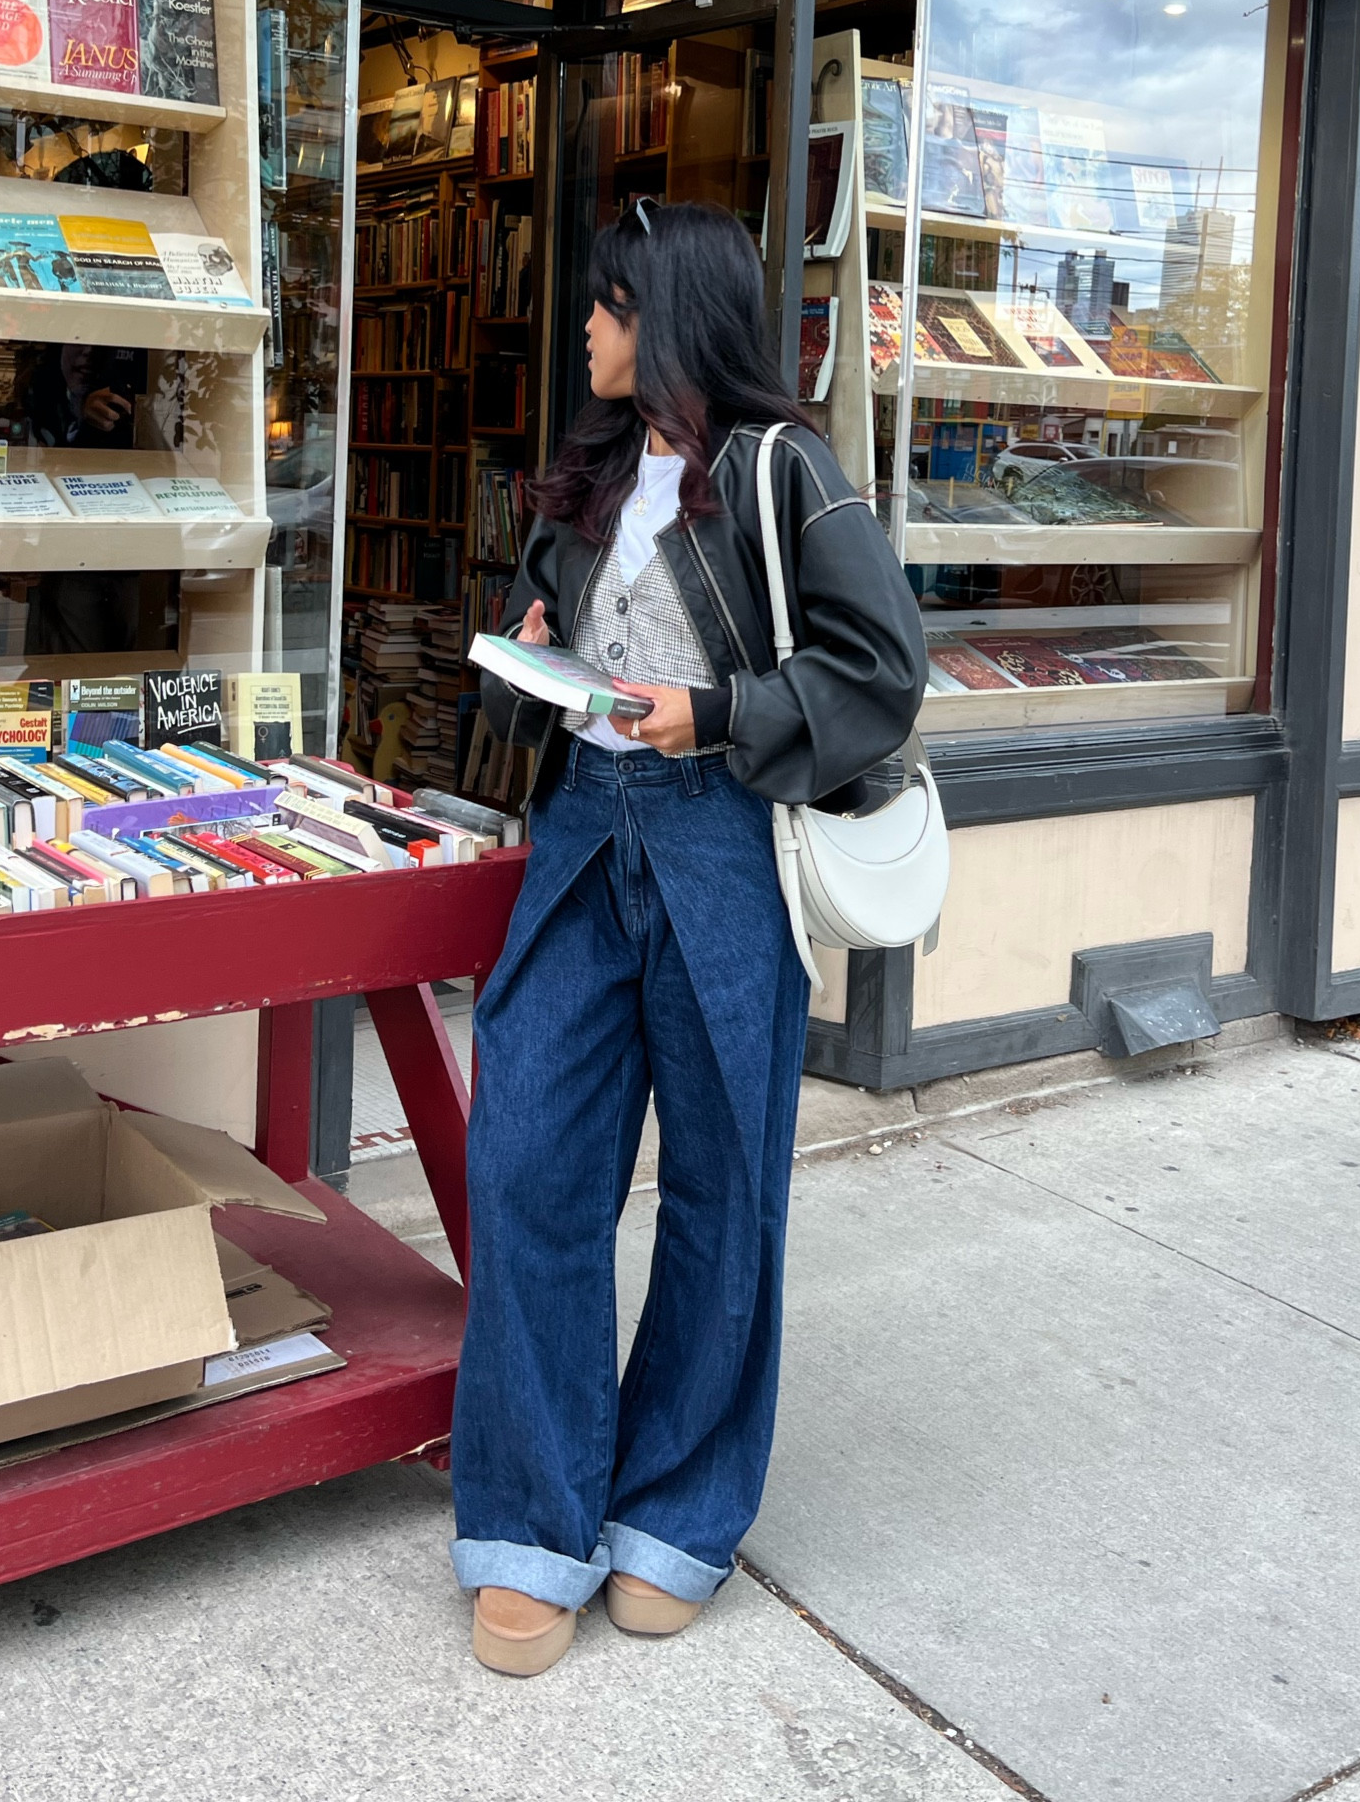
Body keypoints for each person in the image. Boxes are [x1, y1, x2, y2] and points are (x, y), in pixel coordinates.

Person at [452, 198, 928, 1676]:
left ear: (666, 316)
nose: (586, 329)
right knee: (529, 1157)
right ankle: (535, 1522)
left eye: (606, 306)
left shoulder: (787, 472)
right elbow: (561, 654)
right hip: (589, 827)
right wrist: (534, 643)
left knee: (724, 1194)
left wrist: (715, 715)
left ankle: (675, 1514)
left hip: (725, 841)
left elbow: (881, 672)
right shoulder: (589, 476)